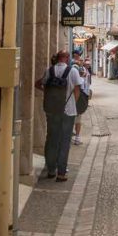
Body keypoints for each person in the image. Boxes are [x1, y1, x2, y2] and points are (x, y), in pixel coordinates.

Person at [35, 50, 82, 182]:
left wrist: (48, 93)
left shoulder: (49, 71)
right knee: (64, 142)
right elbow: (77, 90)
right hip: (68, 112)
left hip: (52, 111)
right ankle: (61, 173)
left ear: (57, 58)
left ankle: (51, 170)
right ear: (67, 58)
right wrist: (73, 103)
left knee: (51, 139)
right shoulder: (72, 71)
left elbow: (38, 84)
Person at [71, 51, 92, 146]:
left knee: (75, 119)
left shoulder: (80, 68)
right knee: (77, 119)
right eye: (79, 58)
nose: (80, 60)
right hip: (76, 98)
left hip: (76, 97)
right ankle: (77, 138)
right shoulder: (76, 69)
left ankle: (75, 137)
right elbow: (79, 86)